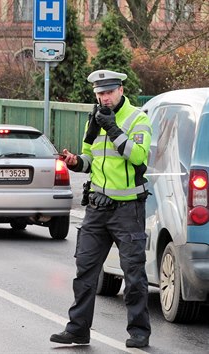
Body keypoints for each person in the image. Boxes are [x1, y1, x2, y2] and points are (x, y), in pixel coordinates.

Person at [50, 69, 152, 348]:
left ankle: (139, 332)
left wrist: (113, 128)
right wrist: (74, 161)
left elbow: (139, 156)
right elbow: (91, 159)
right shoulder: (94, 119)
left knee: (133, 273)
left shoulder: (137, 119)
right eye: (99, 94)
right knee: (85, 271)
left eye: (108, 92)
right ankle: (78, 329)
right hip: (97, 207)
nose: (104, 98)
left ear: (120, 90)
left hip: (128, 210)